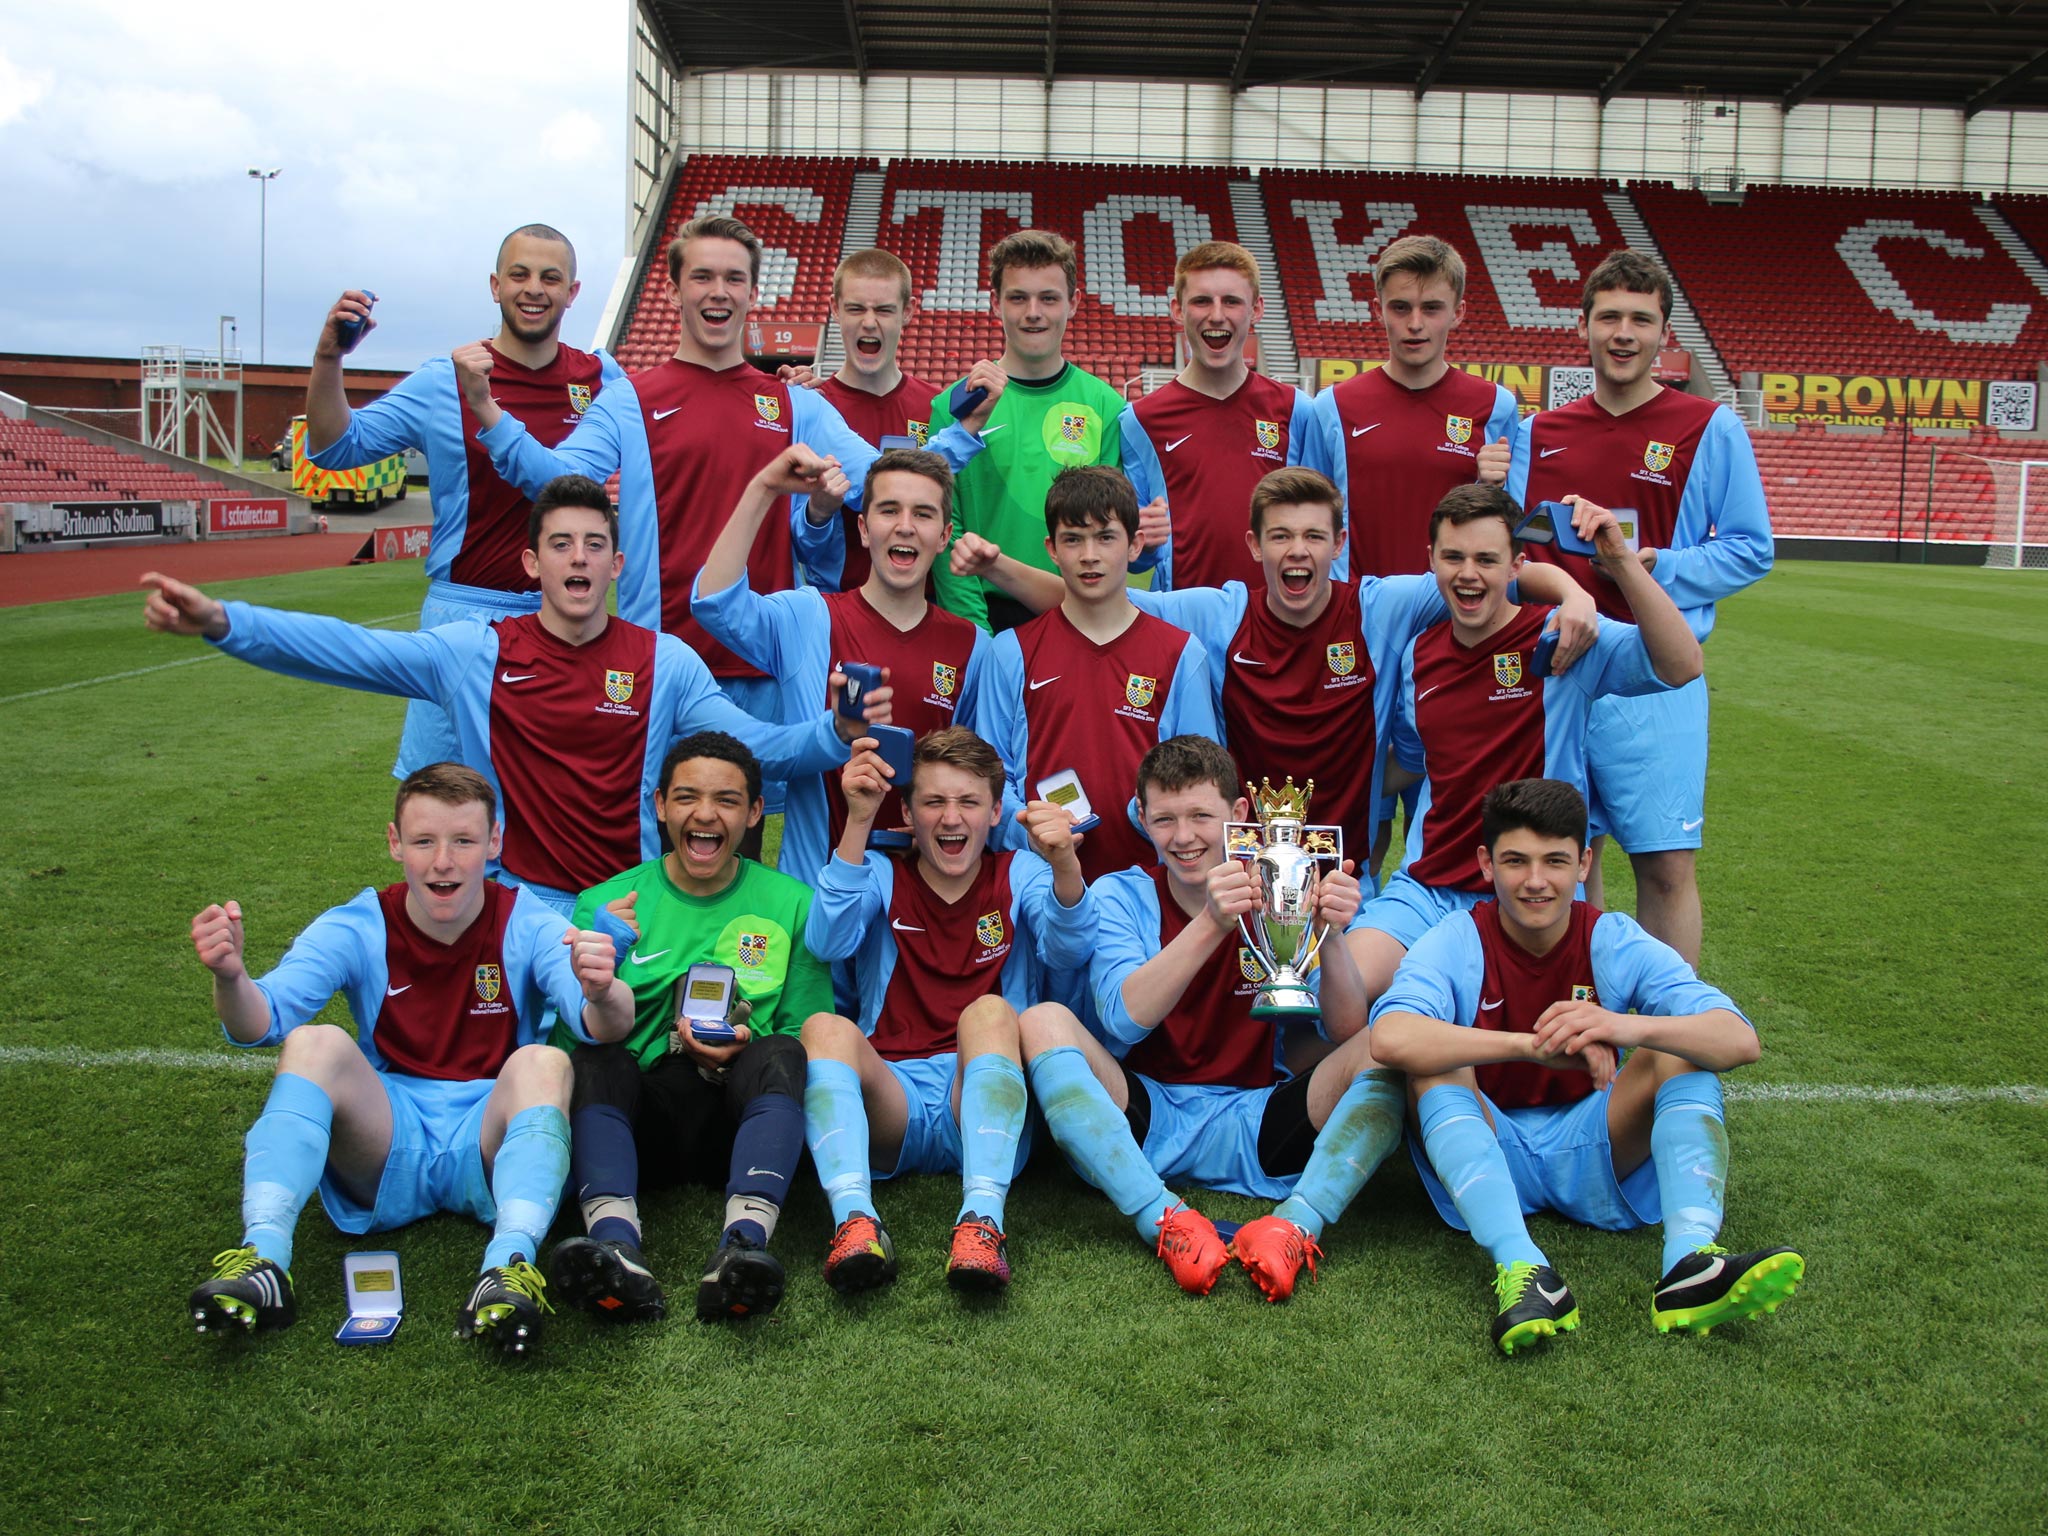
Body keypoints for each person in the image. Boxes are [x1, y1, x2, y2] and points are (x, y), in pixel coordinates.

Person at [141, 476, 874, 914]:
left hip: (636, 901)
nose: (578, 557)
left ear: (615, 564)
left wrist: (832, 734)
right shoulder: (477, 652)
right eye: (561, 544)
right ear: (533, 562)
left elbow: (756, 750)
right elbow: (351, 651)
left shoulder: (666, 662)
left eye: (593, 544)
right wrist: (224, 622)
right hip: (521, 909)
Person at [183, 763, 635, 1358]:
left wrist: (602, 989)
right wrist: (230, 976)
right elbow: (261, 1022)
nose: (442, 861)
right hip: (387, 1139)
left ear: (494, 843)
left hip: (488, 1141)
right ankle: (265, 1257)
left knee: (545, 1063)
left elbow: (604, 1023)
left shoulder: (525, 919)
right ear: (396, 843)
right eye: (424, 841)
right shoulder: (359, 923)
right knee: (313, 1043)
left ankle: (507, 1267)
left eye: (463, 841)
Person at [955, 466, 1596, 881]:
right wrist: (998, 569)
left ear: (1338, 545)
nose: (1298, 551)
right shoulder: (1221, 612)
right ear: (1255, 546)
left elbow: (1484, 569)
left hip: (1346, 872)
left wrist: (1573, 593)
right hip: (1239, 869)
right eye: (1281, 536)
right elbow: (1097, 595)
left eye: (1314, 537)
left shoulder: (1380, 606)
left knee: (1349, 1017)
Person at [1369, 778, 1803, 1354]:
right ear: (1485, 864)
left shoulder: (1613, 937)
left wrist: (1625, 1025)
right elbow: (1390, 1037)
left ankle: (1689, 1263)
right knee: (1433, 1063)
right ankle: (1523, 1269)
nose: (1535, 880)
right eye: (1515, 861)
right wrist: (1528, 1045)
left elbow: (1739, 1040)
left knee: (1682, 1052)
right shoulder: (1456, 937)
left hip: (1597, 1144)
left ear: (1584, 863)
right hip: (1494, 1147)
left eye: (1555, 860)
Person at [1020, 736, 1404, 1302]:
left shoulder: (1283, 885)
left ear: (1240, 817)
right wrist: (1211, 924)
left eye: (1202, 815)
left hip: (1258, 1118)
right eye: (1165, 818)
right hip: (1146, 1117)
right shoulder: (1123, 893)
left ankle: (1297, 1225)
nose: (1184, 837)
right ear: (1142, 818)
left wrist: (1334, 935)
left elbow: (1344, 1031)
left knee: (1388, 1044)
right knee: (1042, 1020)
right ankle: (1162, 1219)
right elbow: (1123, 1020)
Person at [1508, 249, 1773, 965]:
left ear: (1664, 335)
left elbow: (1751, 548)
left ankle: (1662, 1037)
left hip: (1658, 676)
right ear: (1585, 328)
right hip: (1562, 670)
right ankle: (1571, 1027)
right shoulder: (1541, 432)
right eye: (1609, 318)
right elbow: (1518, 550)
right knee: (1565, 862)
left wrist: (1655, 566)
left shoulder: (1707, 425)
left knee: (1664, 866)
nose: (1623, 333)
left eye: (1640, 320)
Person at [1346, 483, 1701, 1003]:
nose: (1468, 573)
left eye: (1486, 559)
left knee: (1539, 1044)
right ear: (1432, 561)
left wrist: (1620, 563)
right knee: (1343, 990)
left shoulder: (1563, 641)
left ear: (1516, 566)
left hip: (1534, 892)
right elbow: (1414, 762)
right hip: (1428, 889)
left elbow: (1682, 665)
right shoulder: (1418, 653)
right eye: (1453, 557)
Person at [304, 224, 620, 777]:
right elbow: (335, 448)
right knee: (447, 796)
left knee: (562, 802)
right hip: (467, 616)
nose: (534, 289)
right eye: (519, 275)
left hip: (571, 620)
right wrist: (329, 357)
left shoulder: (601, 378)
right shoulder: (442, 382)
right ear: (495, 285)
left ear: (573, 292)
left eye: (551, 277)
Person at [546, 734, 836, 1325]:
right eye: (687, 798)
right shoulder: (605, 906)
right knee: (596, 1059)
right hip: (641, 1123)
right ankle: (616, 1246)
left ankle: (745, 1241)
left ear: (755, 813)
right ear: (659, 805)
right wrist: (610, 969)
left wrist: (742, 1046)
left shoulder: (792, 903)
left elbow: (809, 1031)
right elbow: (568, 1040)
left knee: (781, 1050)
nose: (705, 814)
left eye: (727, 801)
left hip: (738, 1123)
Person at [800, 727, 1096, 1294]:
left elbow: (1070, 950)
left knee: (988, 1011)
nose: (951, 817)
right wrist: (858, 820)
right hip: (895, 1100)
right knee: (822, 1028)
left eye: (968, 802)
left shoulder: (1020, 873)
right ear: (908, 814)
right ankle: (855, 1222)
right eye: (933, 801)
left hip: (986, 1097)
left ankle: (982, 1222)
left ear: (995, 812)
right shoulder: (883, 873)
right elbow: (827, 942)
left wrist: (1063, 865)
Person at [695, 445, 1016, 885]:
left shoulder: (973, 647)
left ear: (944, 537)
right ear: (864, 529)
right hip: (814, 885)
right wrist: (764, 488)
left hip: (920, 891)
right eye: (889, 510)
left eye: (923, 514)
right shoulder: (809, 618)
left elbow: (975, 775)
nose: (905, 527)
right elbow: (715, 603)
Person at [972, 466, 1218, 882]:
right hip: (1040, 884)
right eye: (1073, 539)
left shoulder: (1180, 653)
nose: (1089, 554)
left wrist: (1151, 816)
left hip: (1149, 889)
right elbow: (988, 779)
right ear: (1052, 548)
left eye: (1105, 537)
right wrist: (1029, 830)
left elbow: (1202, 784)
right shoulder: (1010, 650)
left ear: (1135, 544)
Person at [928, 229, 1136, 632]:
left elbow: (1109, 531)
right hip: (984, 615)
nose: (1033, 312)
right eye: (1018, 297)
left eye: (1049, 298)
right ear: (996, 303)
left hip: (1077, 616)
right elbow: (944, 528)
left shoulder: (1105, 406)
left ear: (1073, 304)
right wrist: (973, 630)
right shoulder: (955, 404)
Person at [1307, 235, 1519, 581]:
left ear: (1458, 313)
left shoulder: (1496, 406)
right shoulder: (1333, 407)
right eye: (1401, 307)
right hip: (1359, 611)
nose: (1416, 323)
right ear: (1378, 310)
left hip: (1455, 609)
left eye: (1432, 308)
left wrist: (1490, 487)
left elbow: (1511, 527)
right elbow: (1311, 519)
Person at [1118, 241, 1314, 591]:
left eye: (1232, 301)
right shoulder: (1140, 420)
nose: (1217, 315)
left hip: (1276, 616)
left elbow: (1318, 517)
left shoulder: (1296, 408)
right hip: (1183, 619)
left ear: (1257, 309)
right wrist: (1143, 541)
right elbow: (1137, 549)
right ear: (1178, 309)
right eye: (1202, 301)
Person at [811, 247, 1007, 591]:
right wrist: (818, 513)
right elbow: (799, 539)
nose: (869, 322)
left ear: (908, 312)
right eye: (856, 308)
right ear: (834, 310)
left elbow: (957, 524)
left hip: (924, 615)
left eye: (884, 310)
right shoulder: (811, 407)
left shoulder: (938, 407)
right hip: (837, 615)